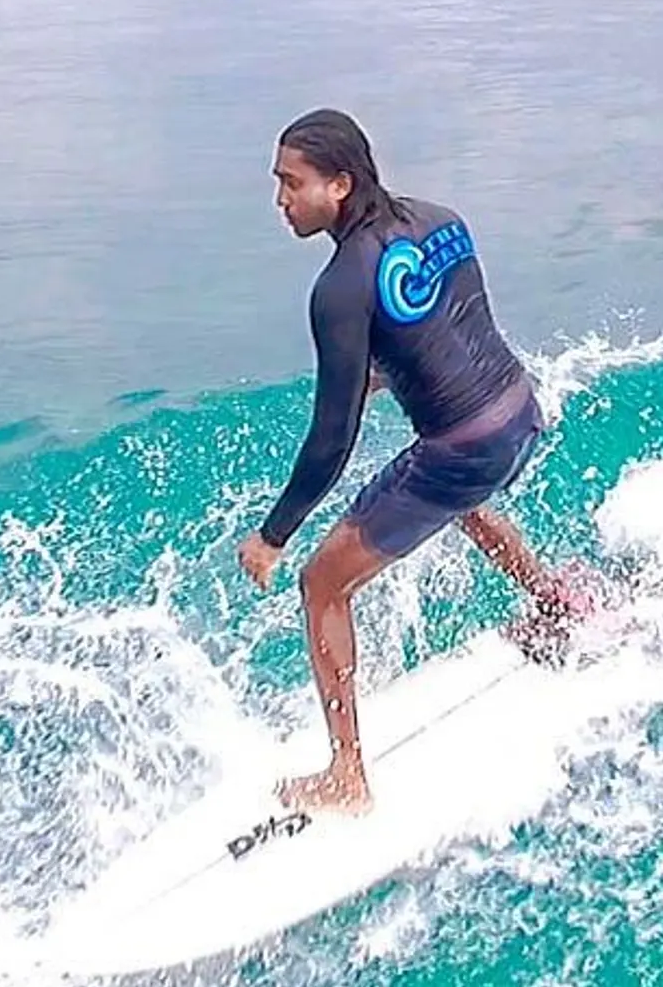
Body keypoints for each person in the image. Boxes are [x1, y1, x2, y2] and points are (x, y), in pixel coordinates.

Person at [237, 108, 591, 813]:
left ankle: (347, 776)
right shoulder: (441, 218)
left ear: (340, 184)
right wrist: (387, 369)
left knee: (322, 585)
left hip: (463, 447)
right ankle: (554, 598)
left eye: (291, 183)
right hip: (518, 411)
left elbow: (332, 437)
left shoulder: (339, 288)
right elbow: (450, 324)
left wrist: (274, 533)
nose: (280, 200)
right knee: (459, 496)